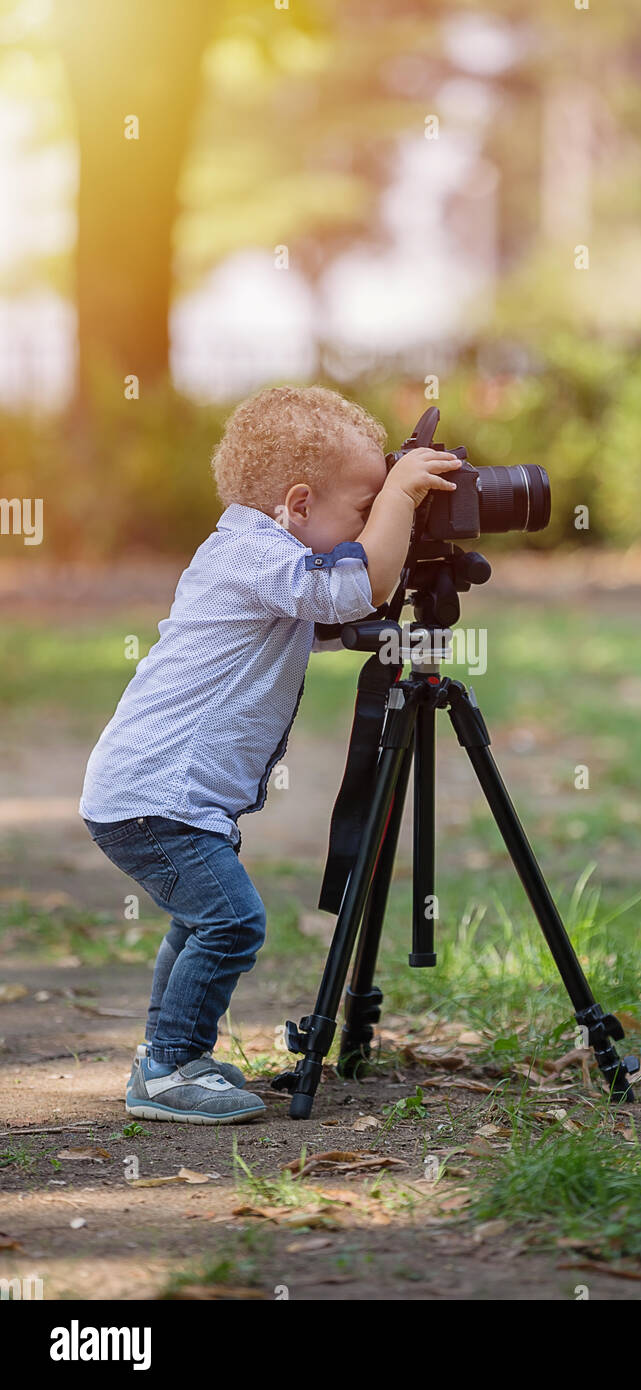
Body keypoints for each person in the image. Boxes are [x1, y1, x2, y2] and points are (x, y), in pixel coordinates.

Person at [79, 385, 460, 1123]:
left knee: (200, 920)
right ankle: (166, 1071)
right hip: (156, 797)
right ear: (297, 504)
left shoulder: (260, 556)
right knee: (232, 920)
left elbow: (343, 612)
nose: (374, 523)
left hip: (153, 795)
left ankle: (171, 1053)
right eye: (365, 508)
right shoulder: (254, 554)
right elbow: (360, 585)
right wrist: (405, 495)